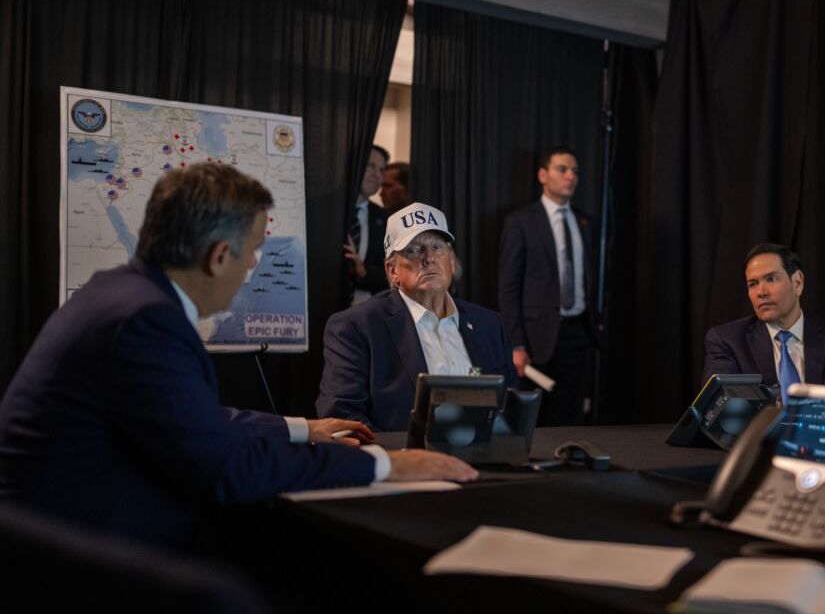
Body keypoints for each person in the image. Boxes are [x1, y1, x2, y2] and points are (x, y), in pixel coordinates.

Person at [0, 164, 476, 547]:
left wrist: (300, 427)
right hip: (68, 551)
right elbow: (226, 466)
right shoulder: (147, 321)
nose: (253, 265)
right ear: (219, 255)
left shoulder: (123, 294)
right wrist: (387, 466)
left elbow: (195, 422)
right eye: (253, 251)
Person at [319, 202, 518, 431]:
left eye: (437, 247)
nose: (429, 258)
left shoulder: (489, 325)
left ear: (452, 262)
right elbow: (342, 415)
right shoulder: (355, 328)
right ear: (392, 271)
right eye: (413, 250)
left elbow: (511, 406)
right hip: (403, 453)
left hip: (485, 452)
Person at [499, 145, 598, 426]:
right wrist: (516, 343)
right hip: (535, 338)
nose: (570, 176)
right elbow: (508, 287)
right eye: (562, 169)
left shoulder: (585, 222)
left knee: (570, 413)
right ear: (543, 175)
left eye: (575, 171)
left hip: (578, 332)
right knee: (535, 418)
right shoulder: (520, 222)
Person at [704, 243, 825, 402]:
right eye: (753, 284)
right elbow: (719, 407)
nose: (761, 292)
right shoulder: (728, 341)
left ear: (797, 283)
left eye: (771, 279)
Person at [345, 144, 389, 306]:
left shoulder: (386, 219)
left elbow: (393, 275)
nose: (377, 175)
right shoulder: (331, 211)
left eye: (381, 170)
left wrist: (364, 272)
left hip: (365, 311)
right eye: (370, 166)